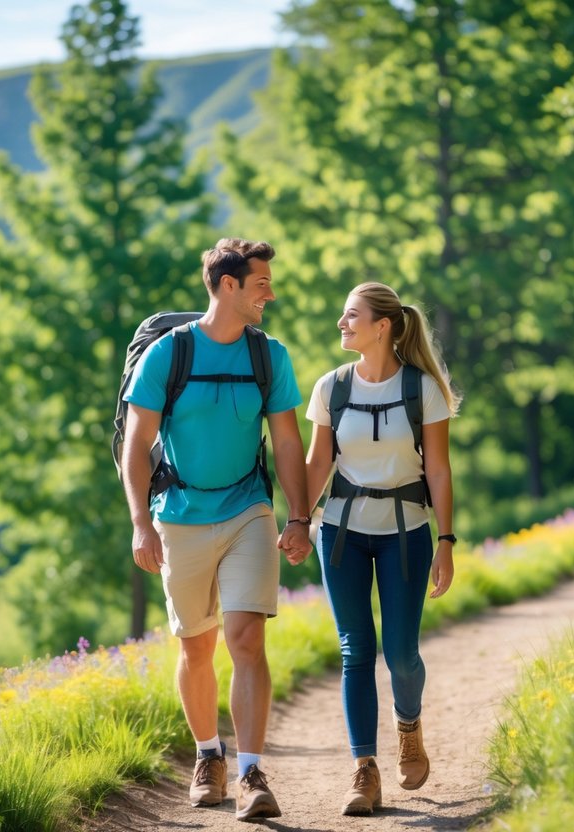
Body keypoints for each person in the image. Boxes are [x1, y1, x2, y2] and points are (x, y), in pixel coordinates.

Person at [121, 238, 312, 823]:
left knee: (246, 640)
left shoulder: (268, 356)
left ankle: (252, 772)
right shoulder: (168, 356)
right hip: (178, 517)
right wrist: (139, 525)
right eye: (261, 285)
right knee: (195, 646)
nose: (270, 295)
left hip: (248, 511)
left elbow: (285, 441)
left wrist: (299, 516)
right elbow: (135, 444)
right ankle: (210, 758)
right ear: (228, 285)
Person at [302, 281, 460, 816]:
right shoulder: (331, 387)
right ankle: (364, 770)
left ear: (383, 325)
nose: (342, 324)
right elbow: (316, 464)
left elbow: (437, 468)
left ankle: (409, 725)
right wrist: (297, 521)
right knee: (355, 649)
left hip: (408, 531)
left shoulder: (422, 390)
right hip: (341, 530)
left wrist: (446, 540)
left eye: (351, 316)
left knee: (401, 653)